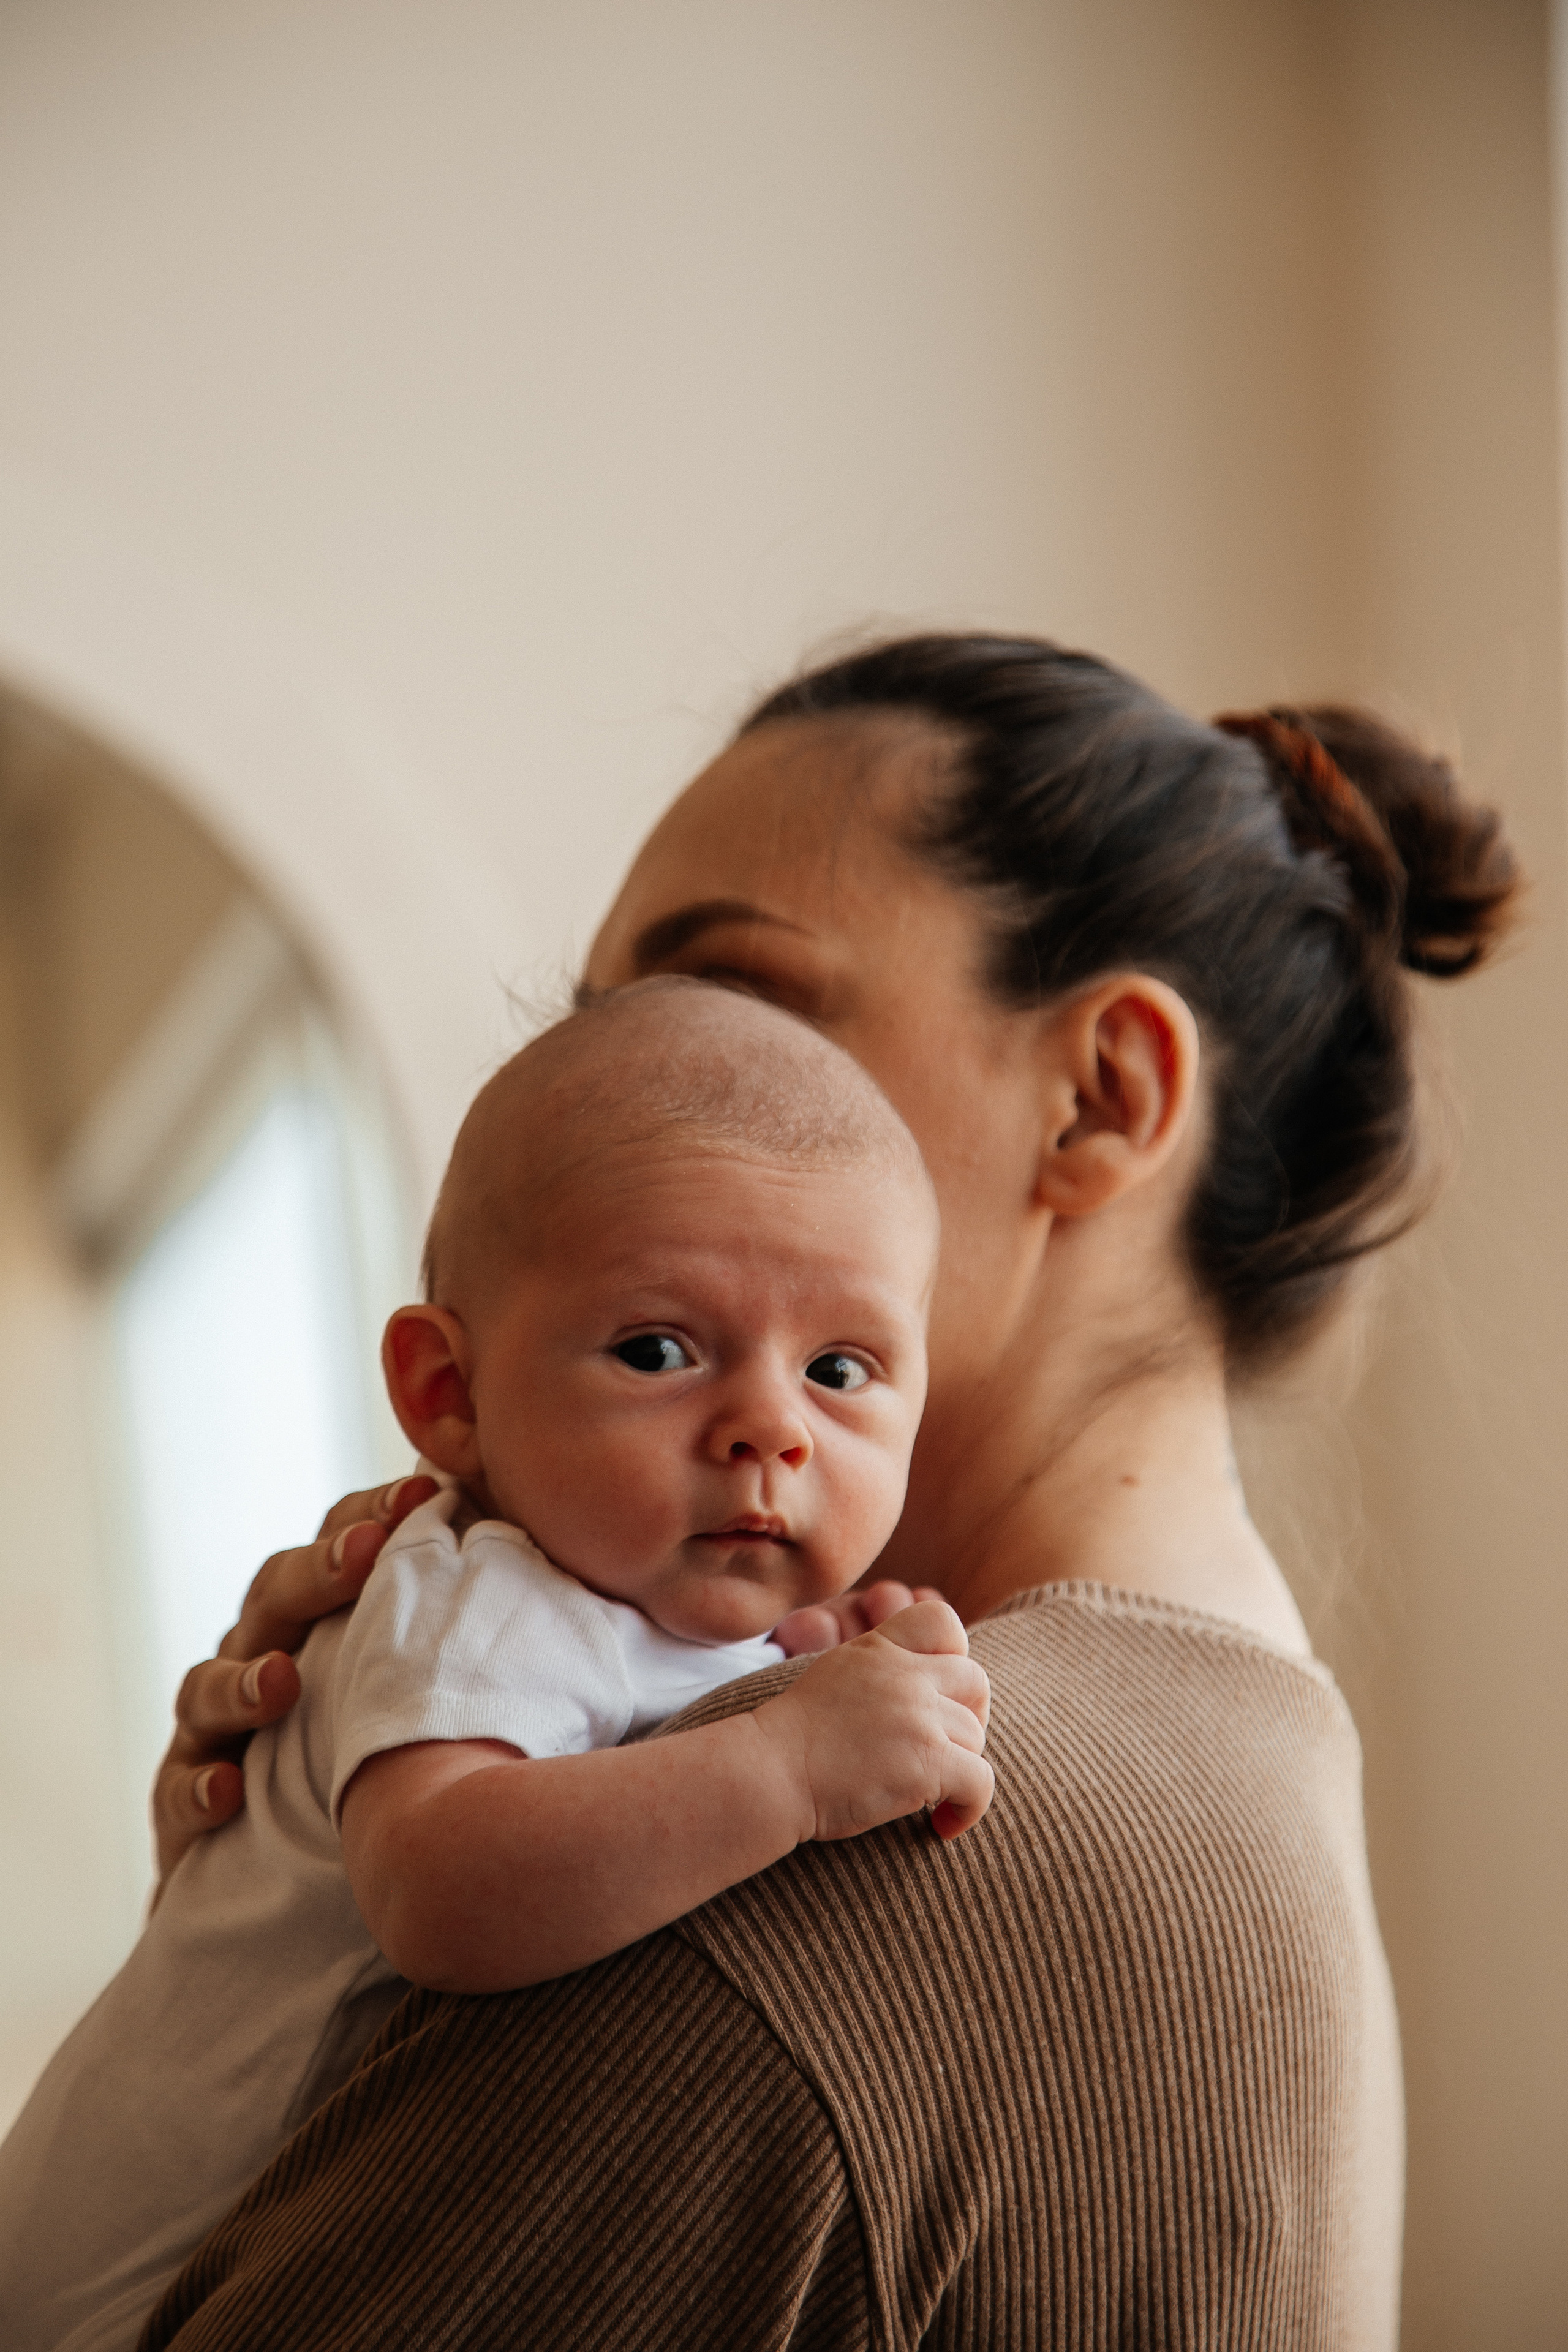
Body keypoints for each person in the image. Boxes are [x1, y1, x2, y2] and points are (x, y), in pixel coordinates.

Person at [140, 635, 1519, 2348]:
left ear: (1099, 1099)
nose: (642, 1104)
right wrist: (278, 1921)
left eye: (736, 1006)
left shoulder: (829, 1848)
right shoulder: (1252, 1761)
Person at [0, 981, 993, 2352]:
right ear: (446, 1398)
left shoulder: (651, 1599)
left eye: (839, 1368)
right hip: (103, 2292)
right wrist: (789, 1756)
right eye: (659, 1349)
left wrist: (803, 1659)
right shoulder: (474, 1593)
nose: (770, 1428)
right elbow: (445, 1887)